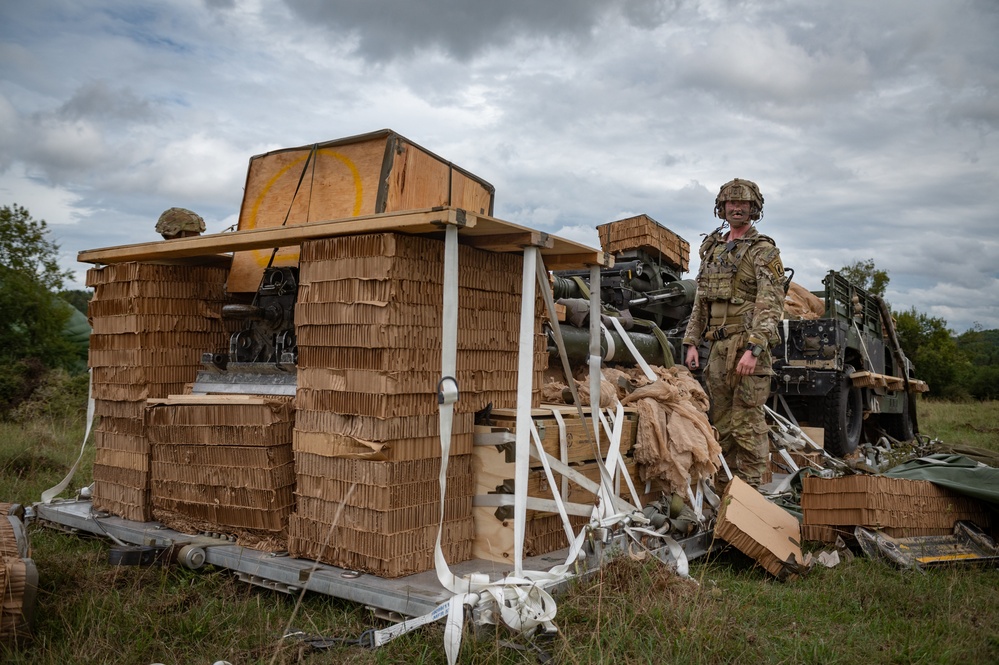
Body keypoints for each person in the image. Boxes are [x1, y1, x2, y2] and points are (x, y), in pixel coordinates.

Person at [681, 178, 784, 488]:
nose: (736, 207)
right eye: (731, 202)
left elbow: (771, 302)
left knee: (748, 425)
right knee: (721, 425)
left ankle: (751, 498)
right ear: (721, 207)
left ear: (754, 209)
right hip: (717, 349)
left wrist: (754, 349)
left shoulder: (762, 250)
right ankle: (724, 493)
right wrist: (692, 342)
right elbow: (702, 300)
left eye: (744, 204)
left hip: (746, 347)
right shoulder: (712, 249)